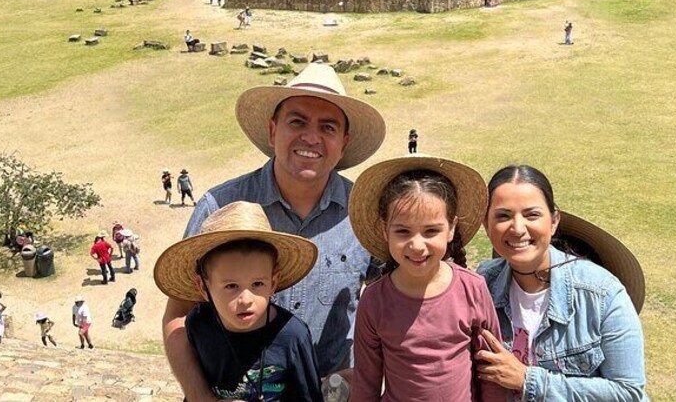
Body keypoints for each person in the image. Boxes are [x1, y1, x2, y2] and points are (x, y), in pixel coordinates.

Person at [163, 63, 386, 401]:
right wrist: (200, 397)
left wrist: (367, 372)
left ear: (344, 142)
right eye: (297, 122)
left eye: (327, 126)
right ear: (272, 131)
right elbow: (178, 316)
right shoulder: (219, 208)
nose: (311, 137)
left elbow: (397, 301)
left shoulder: (365, 213)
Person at [476, 165, 647, 401]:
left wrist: (528, 380)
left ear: (554, 220)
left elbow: (629, 394)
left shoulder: (603, 294)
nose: (517, 228)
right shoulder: (481, 284)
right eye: (503, 216)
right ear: (486, 225)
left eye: (531, 215)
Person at [348, 155, 505, 401]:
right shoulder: (374, 300)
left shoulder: (473, 288)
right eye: (403, 231)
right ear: (384, 229)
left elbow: (492, 370)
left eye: (431, 230)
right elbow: (366, 382)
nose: (417, 246)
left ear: (451, 228)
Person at [155, 201, 322, 400]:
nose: (245, 300)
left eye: (257, 284)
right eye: (231, 286)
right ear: (203, 287)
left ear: (273, 282)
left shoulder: (293, 336)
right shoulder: (198, 325)